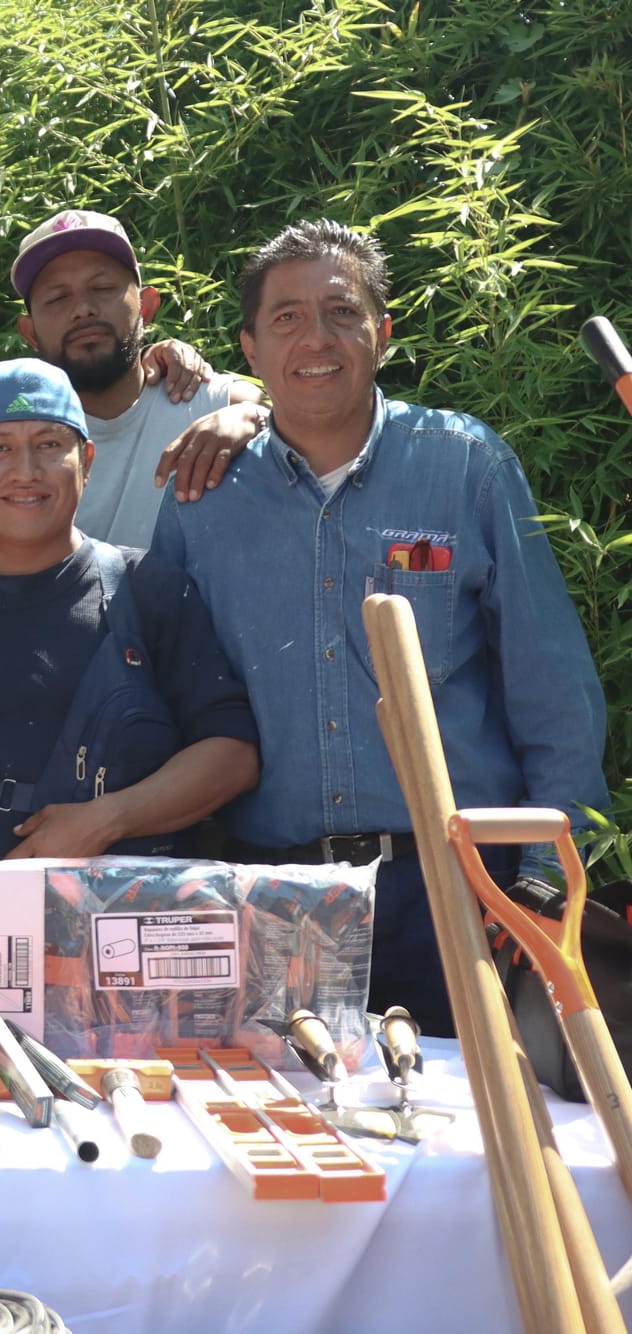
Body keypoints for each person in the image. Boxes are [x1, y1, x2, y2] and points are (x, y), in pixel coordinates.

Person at [150, 219, 608, 1031]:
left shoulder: (465, 465)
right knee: (292, 1106)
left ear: (382, 331)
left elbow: (553, 688)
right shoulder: (203, 498)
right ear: (250, 348)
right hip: (276, 896)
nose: (316, 339)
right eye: (287, 318)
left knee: (483, 1106)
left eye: (342, 312)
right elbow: (164, 698)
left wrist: (545, 874)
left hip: (461, 886)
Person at [0, 358, 259, 872]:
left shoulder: (144, 588)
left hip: (120, 910)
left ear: (86, 461)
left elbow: (233, 754)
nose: (26, 471)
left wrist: (108, 820)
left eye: (48, 444)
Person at [11, 208, 267, 548]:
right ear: (30, 333)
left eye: (102, 287)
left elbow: (299, 424)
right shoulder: (8, 442)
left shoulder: (213, 406)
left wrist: (255, 416)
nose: (83, 309)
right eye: (58, 298)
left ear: (146, 307)